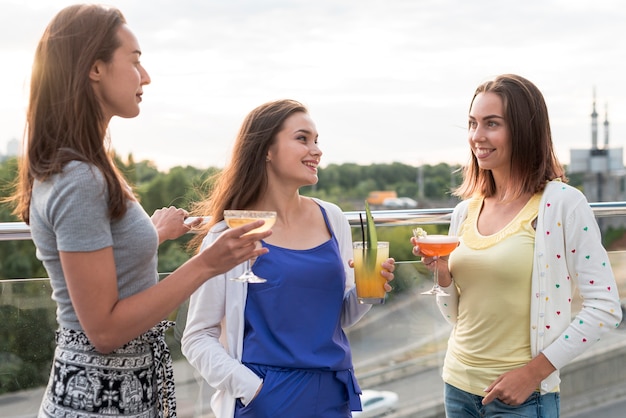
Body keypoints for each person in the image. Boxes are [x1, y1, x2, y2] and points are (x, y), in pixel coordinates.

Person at [8, 5, 271, 417]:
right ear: (95, 68)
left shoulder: (86, 168)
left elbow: (99, 257)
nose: (145, 76)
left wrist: (153, 233)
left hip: (116, 393)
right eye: (134, 61)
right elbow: (105, 331)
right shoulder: (81, 179)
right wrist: (207, 264)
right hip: (98, 402)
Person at [411, 73, 622, 417]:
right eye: (472, 123)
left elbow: (605, 306)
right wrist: (444, 275)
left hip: (523, 399)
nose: (477, 136)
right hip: (457, 387)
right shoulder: (465, 211)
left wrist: (533, 373)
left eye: (491, 124)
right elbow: (456, 317)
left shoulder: (562, 204)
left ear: (524, 131)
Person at [181, 99, 396, 418]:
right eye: (302, 138)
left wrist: (370, 290)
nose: (317, 150)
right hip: (265, 399)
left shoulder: (332, 218)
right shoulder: (230, 233)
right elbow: (197, 337)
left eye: (317, 140)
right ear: (266, 150)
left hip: (332, 395)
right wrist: (252, 389)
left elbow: (339, 318)